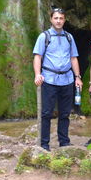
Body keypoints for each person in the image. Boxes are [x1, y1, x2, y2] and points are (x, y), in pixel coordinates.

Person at [33, 8, 83, 150]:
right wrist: (38, 74)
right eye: (56, 18)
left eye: (61, 18)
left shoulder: (69, 37)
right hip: (49, 79)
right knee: (46, 113)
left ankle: (64, 142)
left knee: (65, 113)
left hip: (67, 79)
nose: (59, 21)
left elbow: (73, 58)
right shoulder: (44, 37)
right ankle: (44, 144)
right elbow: (38, 56)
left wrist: (77, 77)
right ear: (51, 19)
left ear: (64, 19)